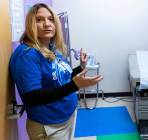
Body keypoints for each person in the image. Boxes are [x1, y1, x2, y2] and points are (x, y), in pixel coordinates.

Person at [9, 3, 103, 140]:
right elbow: (31, 98)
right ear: (30, 25)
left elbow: (61, 78)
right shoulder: (27, 54)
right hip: (49, 125)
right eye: (39, 20)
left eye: (51, 19)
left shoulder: (51, 47)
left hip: (66, 116)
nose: (47, 24)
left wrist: (80, 67)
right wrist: (74, 86)